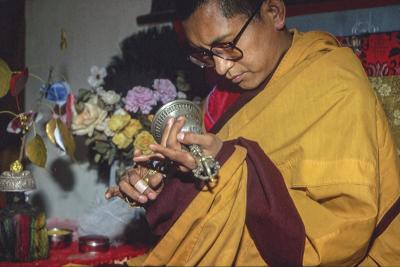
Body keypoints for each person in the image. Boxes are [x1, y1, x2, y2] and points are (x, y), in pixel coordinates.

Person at [105, 0, 400, 265]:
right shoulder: (224, 95)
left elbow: (344, 230)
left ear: (274, 12)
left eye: (227, 45)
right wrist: (161, 182)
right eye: (206, 54)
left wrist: (227, 163)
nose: (221, 68)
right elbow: (206, 193)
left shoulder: (335, 84)